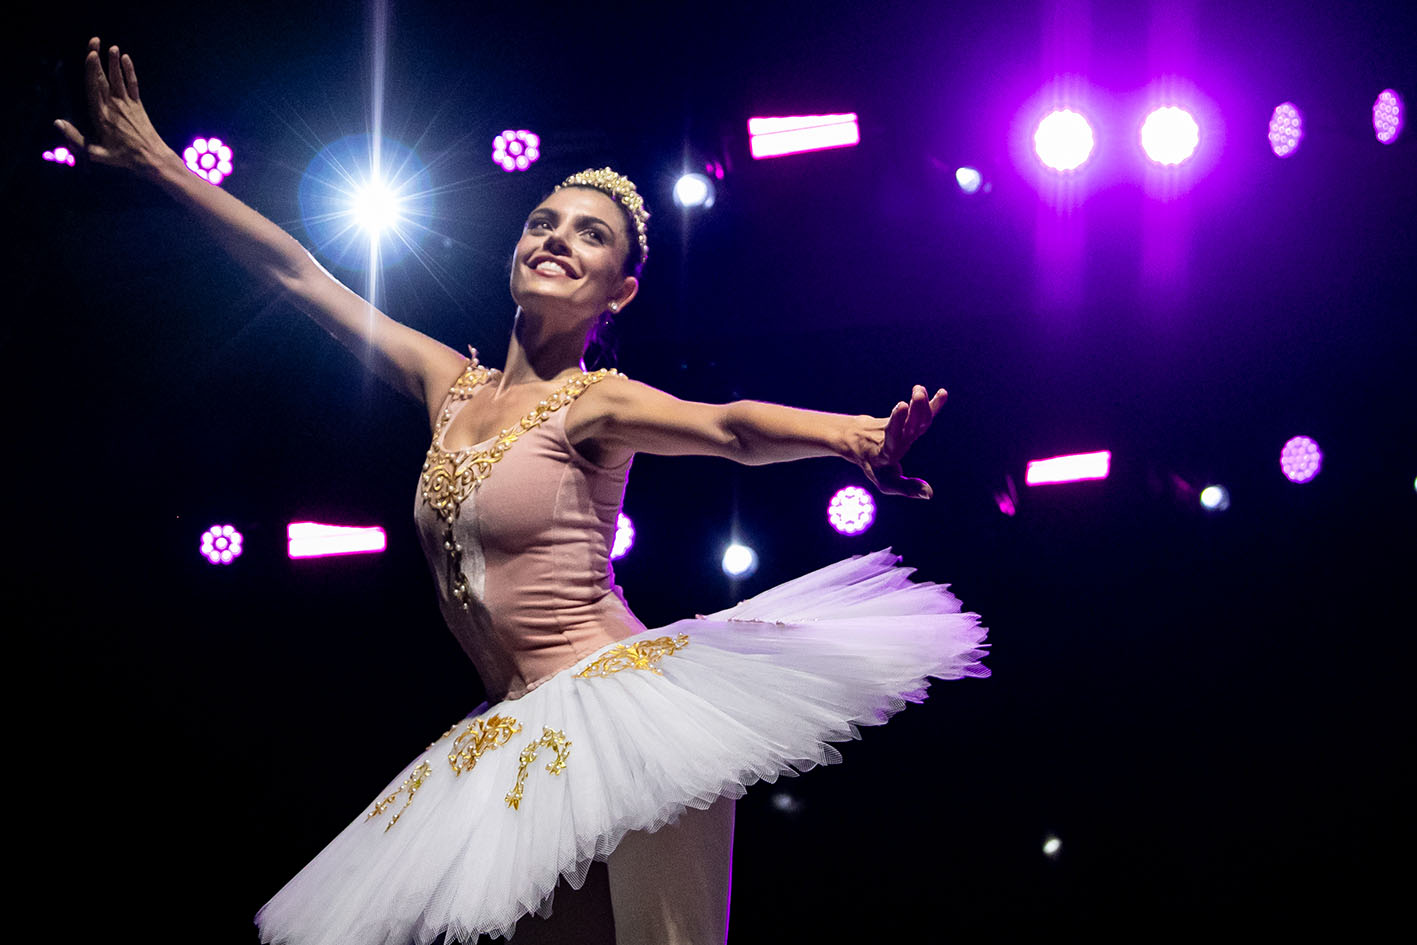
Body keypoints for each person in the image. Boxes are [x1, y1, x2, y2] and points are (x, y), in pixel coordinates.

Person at [58, 36, 989, 945]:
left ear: (618, 292)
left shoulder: (595, 402)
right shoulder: (445, 383)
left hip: (628, 716)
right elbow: (297, 275)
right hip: (517, 733)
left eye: (591, 235)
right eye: (544, 222)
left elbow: (729, 426)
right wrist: (163, 167)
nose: (557, 239)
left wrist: (853, 436)